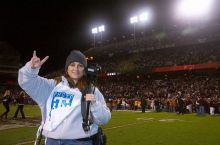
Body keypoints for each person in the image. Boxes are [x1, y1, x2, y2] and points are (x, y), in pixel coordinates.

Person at [18, 50, 111, 145]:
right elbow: (26, 82)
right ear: (67, 68)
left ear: (84, 70)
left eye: (80, 65)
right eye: (72, 65)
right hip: (51, 141)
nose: (76, 68)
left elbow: (104, 119)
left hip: (80, 142)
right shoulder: (53, 86)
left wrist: (95, 104)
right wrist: (31, 69)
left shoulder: (93, 90)